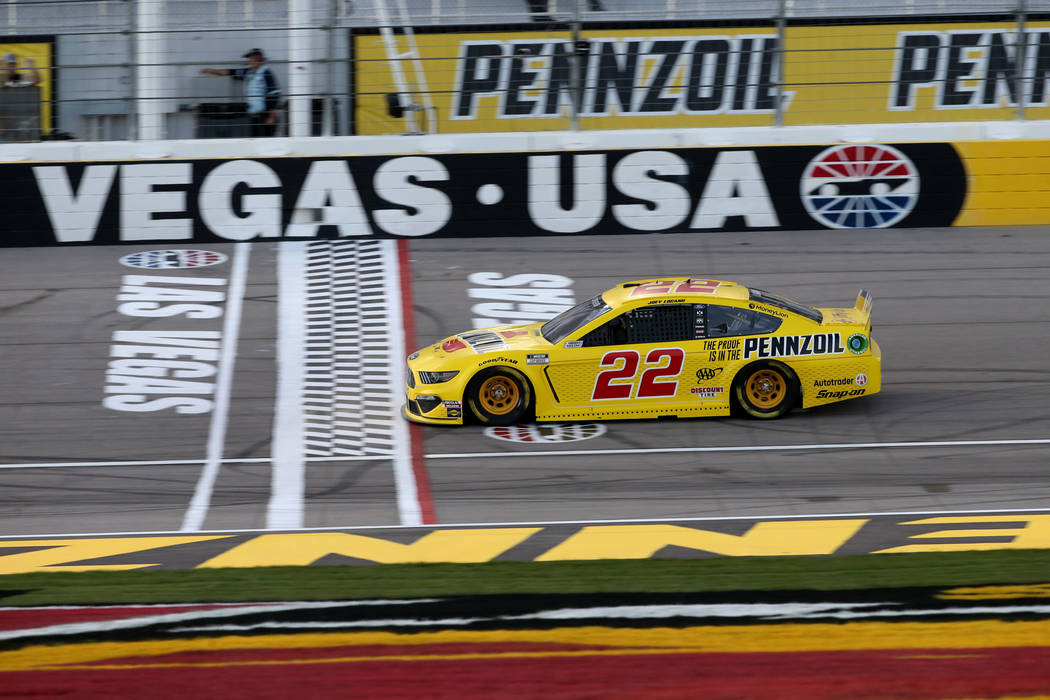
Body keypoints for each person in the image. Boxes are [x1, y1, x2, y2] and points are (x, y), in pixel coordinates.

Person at [200, 48, 281, 137]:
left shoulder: (266, 73)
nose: (248, 60)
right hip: (254, 116)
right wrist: (211, 71)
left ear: (257, 58)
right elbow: (230, 72)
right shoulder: (248, 72)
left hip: (265, 116)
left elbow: (274, 94)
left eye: (250, 58)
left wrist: (271, 116)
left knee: (265, 142)